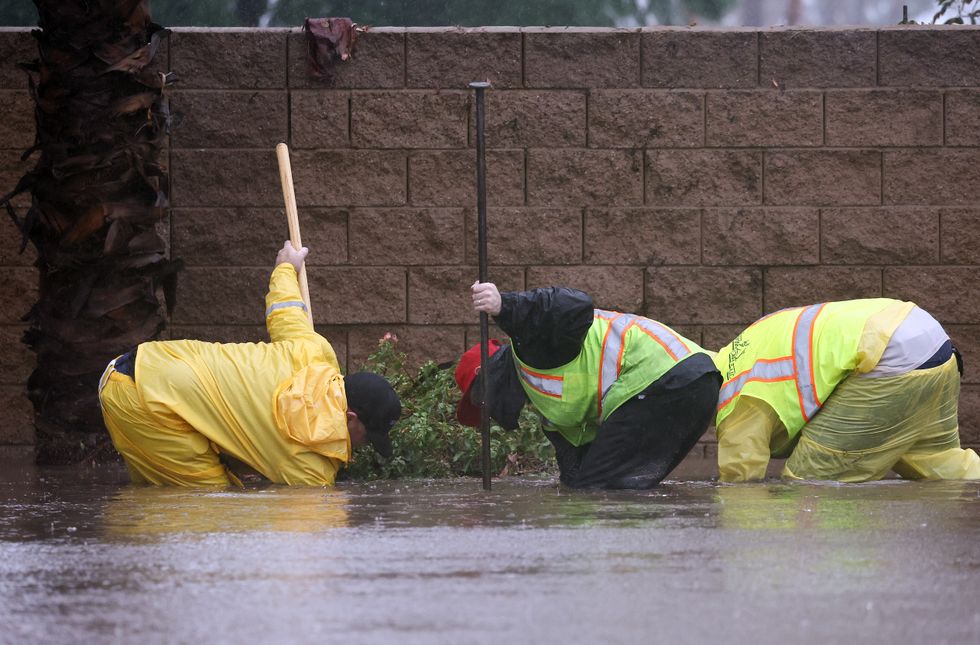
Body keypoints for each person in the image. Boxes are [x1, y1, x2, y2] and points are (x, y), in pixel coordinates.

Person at [98, 241, 401, 487]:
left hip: (149, 361)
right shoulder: (311, 469)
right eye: (366, 435)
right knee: (210, 502)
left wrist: (286, 266)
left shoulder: (315, 353)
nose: (363, 445)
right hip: (145, 403)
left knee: (158, 493)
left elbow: (285, 311)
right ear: (350, 418)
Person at [455, 281, 721, 489]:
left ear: (492, 376)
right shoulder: (548, 409)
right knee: (605, 483)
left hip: (667, 378)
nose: (489, 413)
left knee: (597, 486)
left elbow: (575, 304)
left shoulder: (533, 350)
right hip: (694, 387)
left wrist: (505, 307)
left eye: (482, 400)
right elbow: (575, 470)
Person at [714, 298, 980, 482]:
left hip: (887, 355)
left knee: (809, 482)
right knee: (939, 461)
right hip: (931, 340)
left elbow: (741, 477)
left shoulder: (733, 397)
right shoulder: (745, 347)